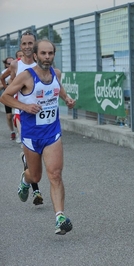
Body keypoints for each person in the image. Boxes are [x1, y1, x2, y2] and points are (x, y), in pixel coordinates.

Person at [0, 39, 75, 235]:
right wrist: (25, 107)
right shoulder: (26, 76)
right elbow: (5, 96)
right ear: (35, 55)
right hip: (32, 135)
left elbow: (58, 87)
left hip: (52, 133)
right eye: (43, 53)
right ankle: (25, 181)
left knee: (55, 175)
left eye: (50, 53)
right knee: (36, 176)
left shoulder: (56, 73)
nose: (47, 57)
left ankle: (60, 217)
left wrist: (67, 98)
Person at [2, 32, 44, 205]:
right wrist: (17, 101)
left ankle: (27, 174)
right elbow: (10, 86)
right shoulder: (14, 65)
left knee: (38, 154)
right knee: (30, 148)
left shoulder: (42, 62)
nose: (27, 46)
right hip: (22, 114)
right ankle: (36, 191)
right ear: (20, 46)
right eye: (24, 43)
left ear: (35, 45)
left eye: (30, 43)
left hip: (40, 115)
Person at [0, 56, 16, 140]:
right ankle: (12, 131)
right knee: (9, 116)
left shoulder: (19, 70)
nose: (10, 65)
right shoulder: (4, 73)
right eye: (8, 64)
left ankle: (21, 134)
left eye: (12, 63)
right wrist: (6, 85)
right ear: (5, 65)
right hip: (9, 96)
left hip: (18, 96)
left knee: (19, 115)